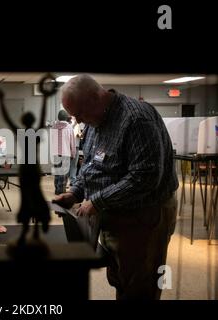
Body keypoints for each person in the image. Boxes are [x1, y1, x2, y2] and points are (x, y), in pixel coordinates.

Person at [53, 75, 178, 300]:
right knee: (122, 276)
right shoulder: (95, 121)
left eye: (79, 114)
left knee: (141, 283)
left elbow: (146, 177)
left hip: (144, 217)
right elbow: (91, 165)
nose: (78, 121)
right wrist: (75, 193)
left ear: (94, 98)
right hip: (115, 213)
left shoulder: (136, 119)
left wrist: (98, 201)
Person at [50, 110, 76, 195]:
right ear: (66, 117)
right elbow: (72, 142)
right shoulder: (69, 127)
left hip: (55, 153)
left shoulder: (54, 126)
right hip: (65, 153)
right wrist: (73, 153)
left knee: (57, 172)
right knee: (63, 173)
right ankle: (61, 191)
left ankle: (57, 189)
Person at [68, 116, 82, 186]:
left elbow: (79, 134)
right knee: (69, 164)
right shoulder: (69, 124)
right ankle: (69, 180)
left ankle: (72, 180)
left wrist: (80, 135)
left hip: (76, 146)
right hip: (70, 146)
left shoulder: (78, 125)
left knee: (74, 164)